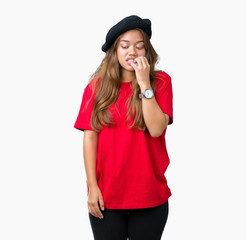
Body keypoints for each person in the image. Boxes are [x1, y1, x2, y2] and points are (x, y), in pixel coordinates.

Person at [74, 15, 173, 240]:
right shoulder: (96, 87)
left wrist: (144, 82)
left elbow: (156, 129)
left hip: (150, 196)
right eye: (125, 46)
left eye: (139, 46)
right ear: (114, 51)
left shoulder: (161, 82)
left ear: (147, 51)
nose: (132, 52)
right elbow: (90, 138)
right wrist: (92, 187)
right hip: (107, 197)